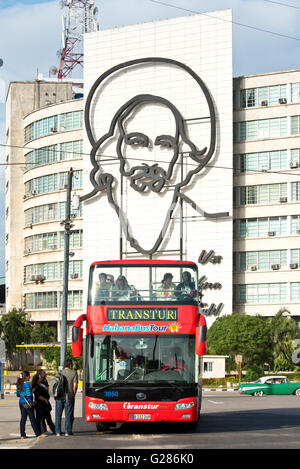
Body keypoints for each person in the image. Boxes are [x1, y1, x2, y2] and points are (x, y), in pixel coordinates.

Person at [16, 371, 46, 440]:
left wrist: (25, 394)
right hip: (28, 403)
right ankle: (38, 434)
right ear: (26, 377)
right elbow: (29, 395)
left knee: (23, 419)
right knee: (32, 419)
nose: (30, 377)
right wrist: (31, 402)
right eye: (29, 376)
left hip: (21, 403)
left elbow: (18, 394)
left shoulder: (19, 384)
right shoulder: (27, 384)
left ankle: (22, 435)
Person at [55, 359, 78, 436]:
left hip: (59, 396)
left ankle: (58, 432)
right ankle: (67, 432)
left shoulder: (59, 373)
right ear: (70, 365)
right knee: (68, 415)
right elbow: (75, 385)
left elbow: (55, 385)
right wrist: (73, 394)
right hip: (69, 396)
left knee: (58, 415)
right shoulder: (74, 373)